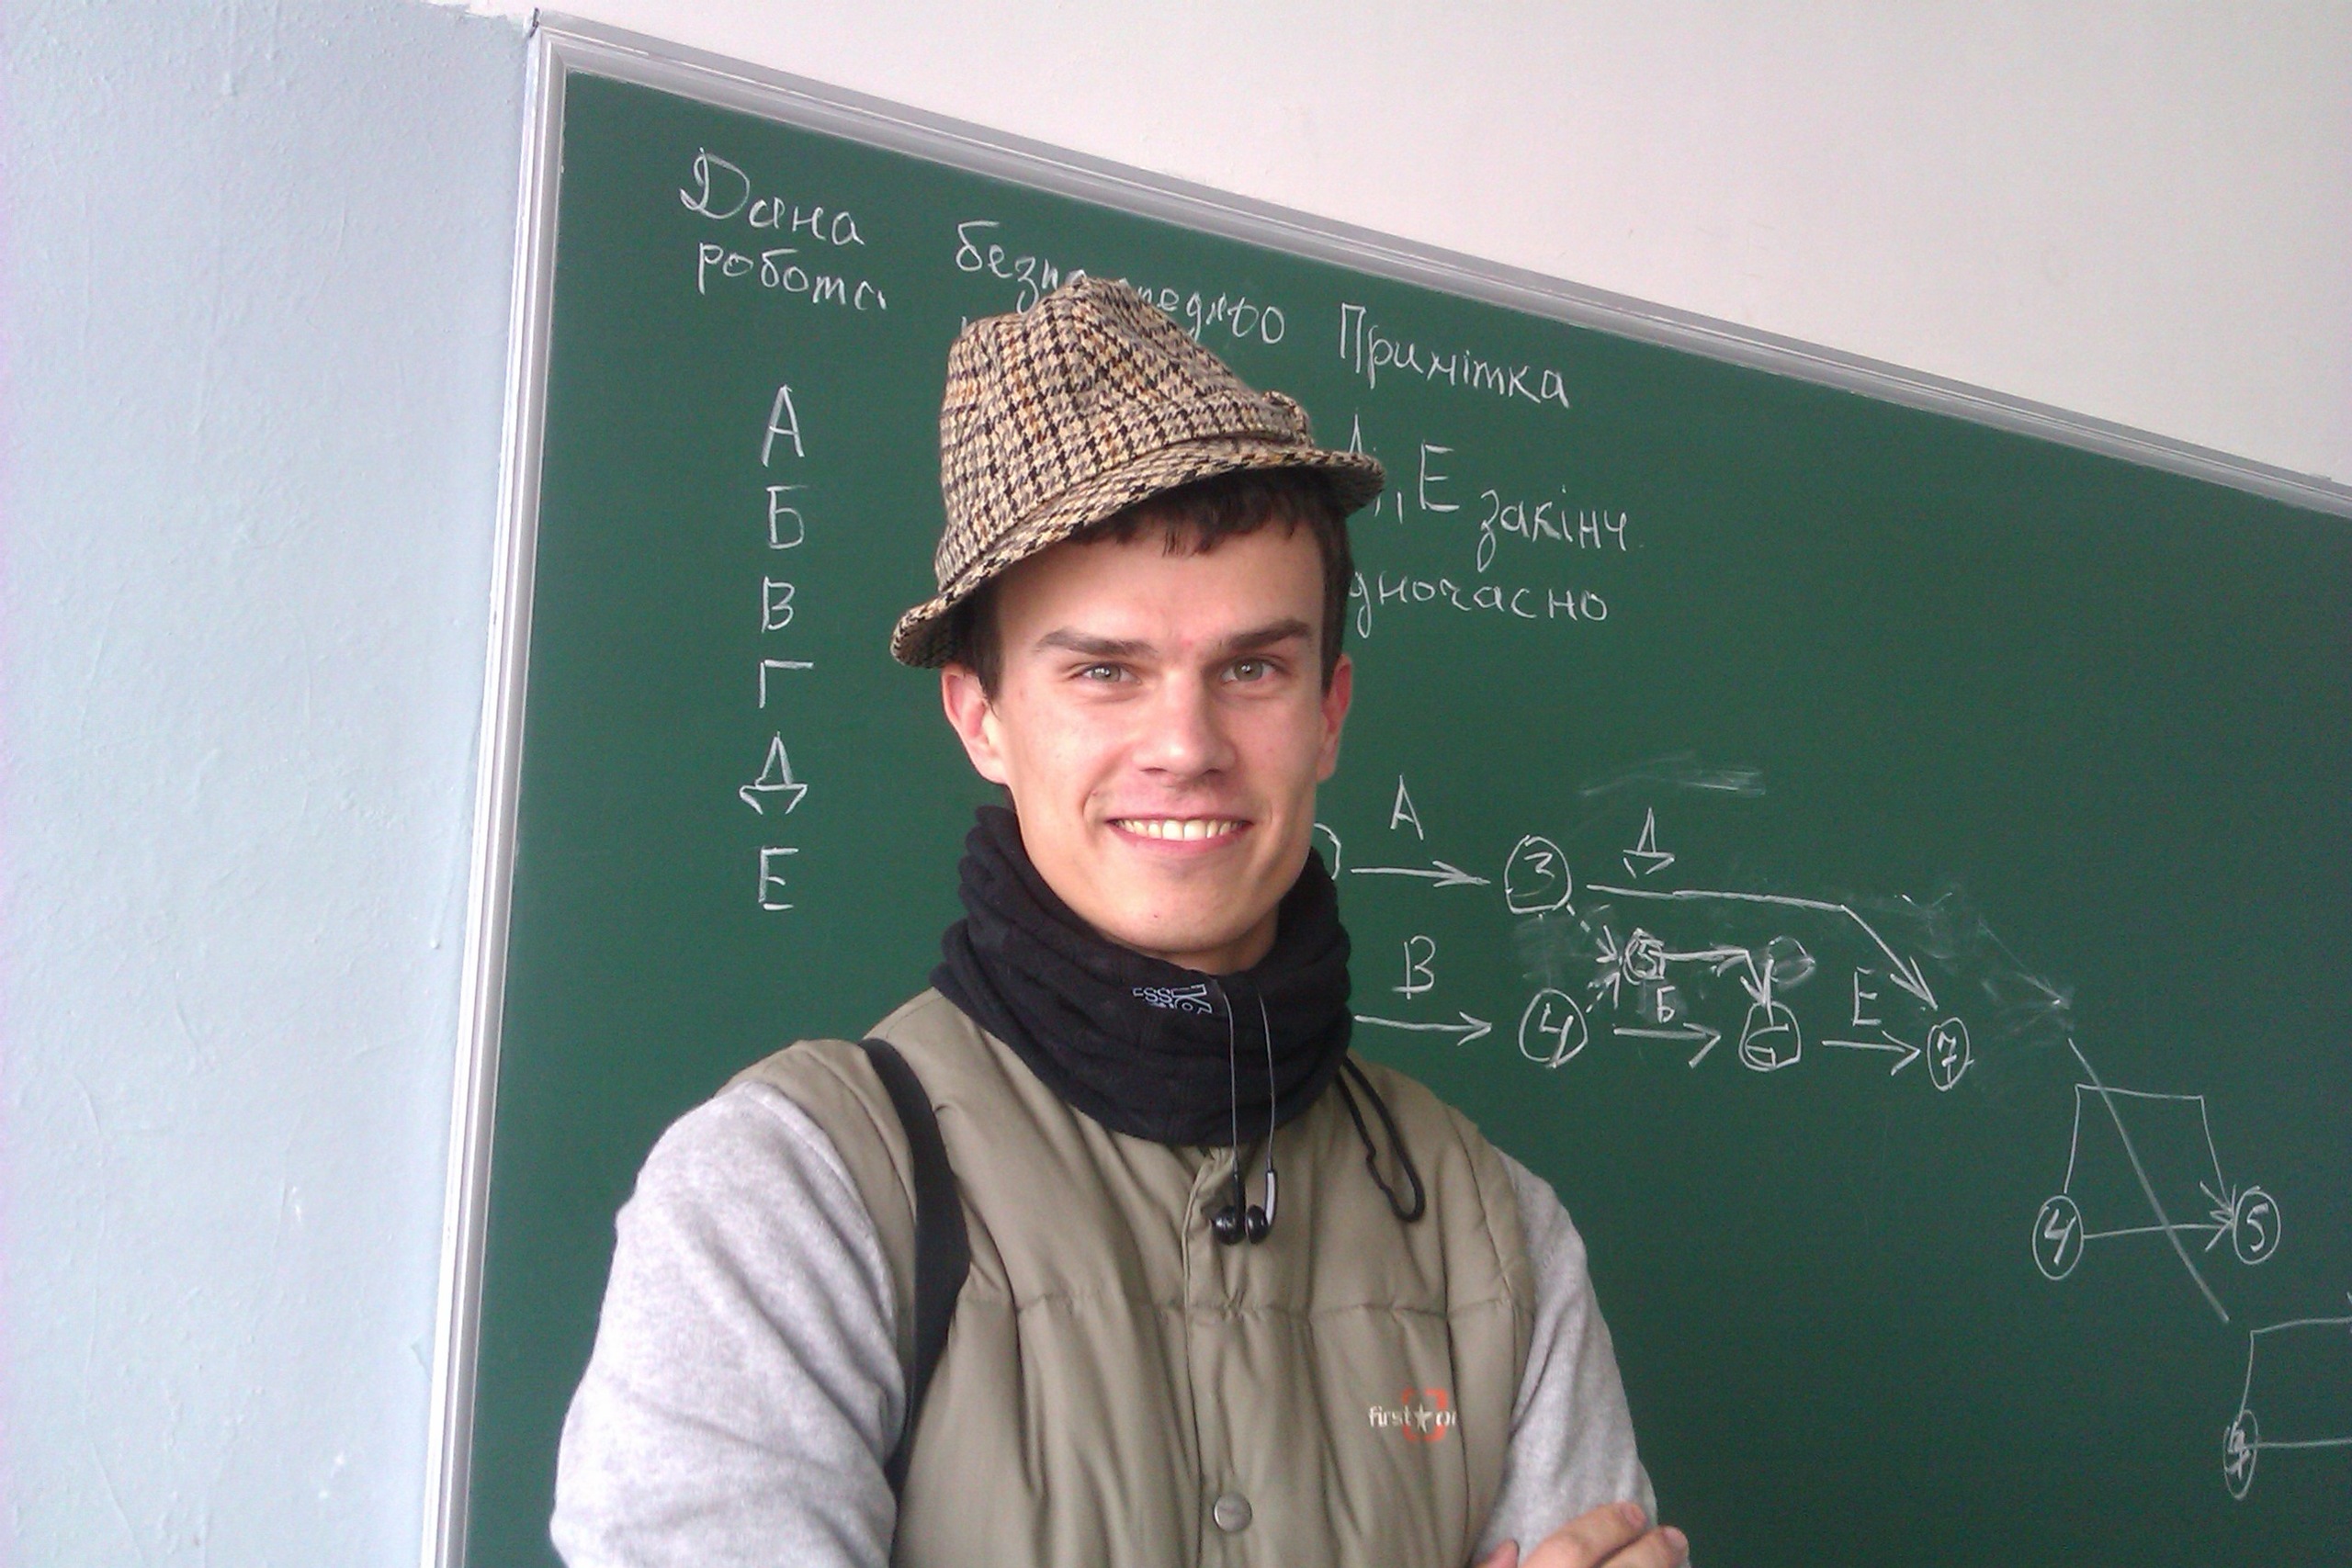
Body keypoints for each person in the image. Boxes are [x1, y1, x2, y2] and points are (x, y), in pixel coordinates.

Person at [551, 276, 1689, 1568]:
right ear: (981, 718)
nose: (1186, 746)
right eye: (1104, 672)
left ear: (1328, 712)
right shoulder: (790, 1192)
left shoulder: (1494, 1233)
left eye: (1252, 668)